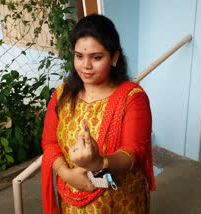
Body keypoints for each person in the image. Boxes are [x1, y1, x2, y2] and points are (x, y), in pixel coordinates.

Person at [41, 14, 155, 214]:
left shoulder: (132, 98)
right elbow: (49, 142)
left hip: (118, 200)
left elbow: (132, 153)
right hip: (72, 198)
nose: (85, 66)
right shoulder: (62, 95)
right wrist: (66, 174)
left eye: (96, 57)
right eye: (79, 56)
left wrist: (97, 162)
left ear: (114, 58)